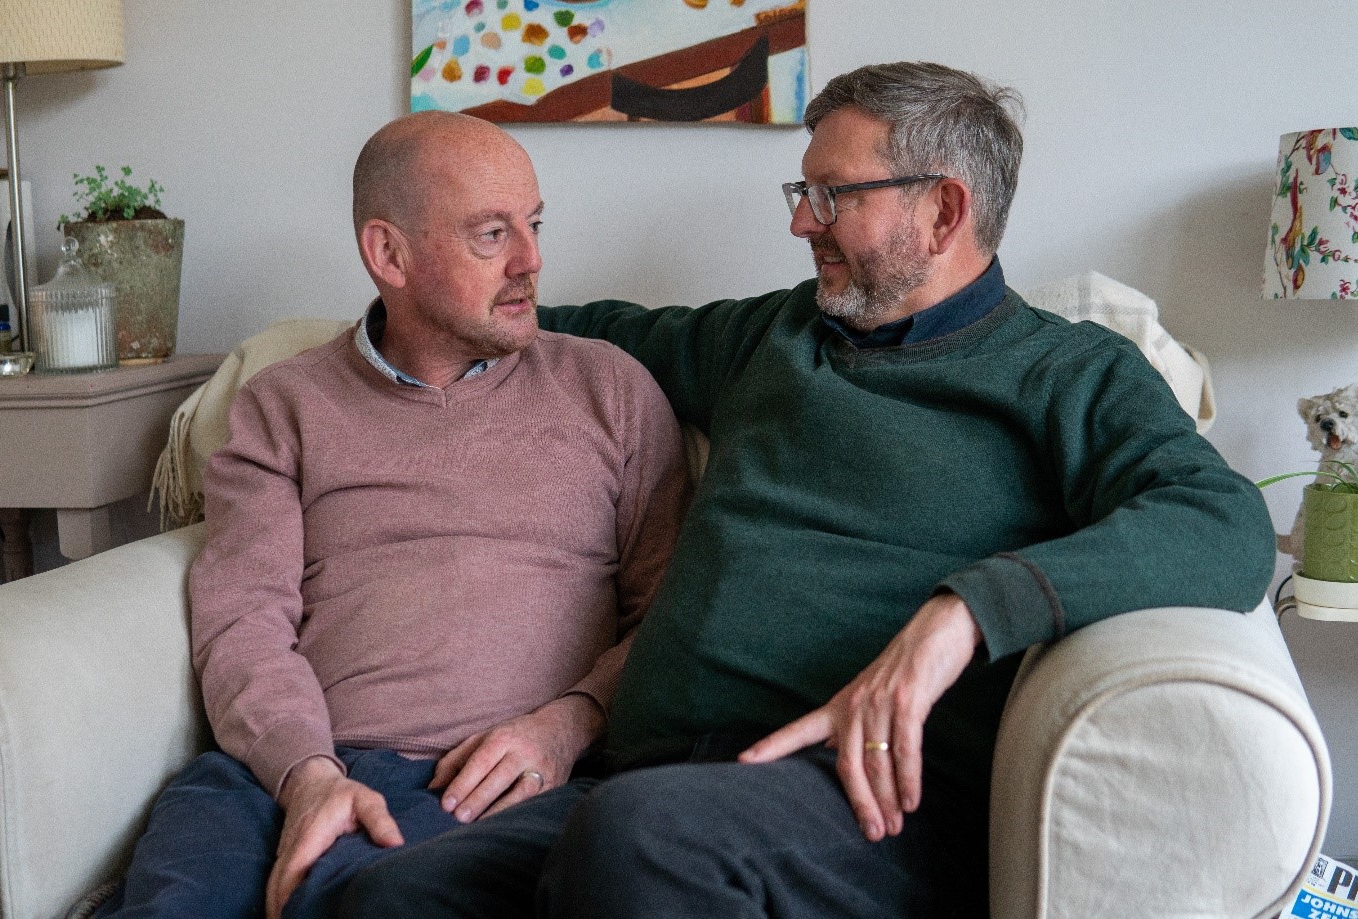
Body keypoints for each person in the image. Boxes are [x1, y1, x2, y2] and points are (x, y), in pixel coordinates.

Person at [341, 61, 1275, 918]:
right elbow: (583, 340)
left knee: (639, 843)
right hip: (643, 781)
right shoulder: (780, 336)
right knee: (382, 897)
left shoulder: (1067, 373)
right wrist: (405, 313)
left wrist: (967, 612)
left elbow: (1223, 521)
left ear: (944, 212)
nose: (800, 222)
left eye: (831, 195)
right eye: (803, 190)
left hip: (861, 805)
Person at [92, 111, 688, 919]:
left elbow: (673, 618)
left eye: (535, 223)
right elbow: (243, 619)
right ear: (389, 254)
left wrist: (573, 720)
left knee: (373, 902)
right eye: (491, 234)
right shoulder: (285, 404)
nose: (532, 260)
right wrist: (308, 774)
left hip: (503, 781)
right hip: (287, 769)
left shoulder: (608, 390)